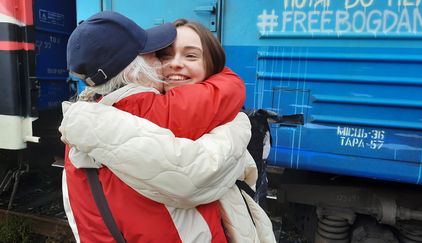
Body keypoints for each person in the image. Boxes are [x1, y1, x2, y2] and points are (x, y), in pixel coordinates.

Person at [61, 12, 275, 243]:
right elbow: (220, 96)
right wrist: (235, 116)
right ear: (135, 70)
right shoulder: (158, 114)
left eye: (191, 55)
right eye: (159, 55)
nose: (173, 64)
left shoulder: (84, 117)